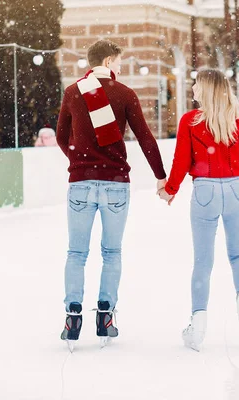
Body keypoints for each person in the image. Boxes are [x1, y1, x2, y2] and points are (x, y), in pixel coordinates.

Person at [56, 40, 167, 349]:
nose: (120, 69)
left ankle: (72, 315)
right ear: (107, 60)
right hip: (116, 183)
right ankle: (105, 314)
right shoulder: (125, 94)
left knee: (76, 253)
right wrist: (161, 176)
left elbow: (62, 136)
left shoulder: (73, 92)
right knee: (112, 253)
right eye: (118, 63)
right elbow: (145, 137)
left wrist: (79, 162)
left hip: (80, 183)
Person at [158, 68, 239, 351]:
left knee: (203, 262)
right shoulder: (236, 121)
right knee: (238, 255)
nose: (192, 88)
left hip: (205, 191)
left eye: (195, 84)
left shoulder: (190, 121)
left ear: (205, 89)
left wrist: (170, 189)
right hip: (237, 189)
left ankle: (198, 323)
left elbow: (181, 161)